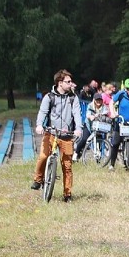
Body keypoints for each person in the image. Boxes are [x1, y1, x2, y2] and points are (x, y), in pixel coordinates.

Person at [31, 69, 82, 202]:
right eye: (68, 82)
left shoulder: (73, 98)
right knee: (43, 156)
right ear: (60, 83)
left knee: (67, 166)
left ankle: (67, 194)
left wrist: (78, 129)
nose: (71, 84)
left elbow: (77, 114)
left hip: (66, 135)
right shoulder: (49, 97)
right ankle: (38, 179)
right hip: (51, 133)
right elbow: (42, 112)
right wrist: (39, 125)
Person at [107, 78, 129, 170]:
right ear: (126, 89)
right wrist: (113, 113)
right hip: (120, 122)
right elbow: (112, 102)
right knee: (115, 143)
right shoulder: (121, 94)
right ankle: (112, 164)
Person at [74, 92, 109, 160]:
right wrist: (91, 116)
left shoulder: (104, 107)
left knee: (100, 139)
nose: (98, 101)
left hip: (99, 126)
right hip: (89, 125)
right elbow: (88, 114)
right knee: (84, 139)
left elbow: (106, 113)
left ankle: (99, 157)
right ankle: (76, 153)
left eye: (100, 100)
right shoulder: (90, 106)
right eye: (97, 100)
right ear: (94, 100)